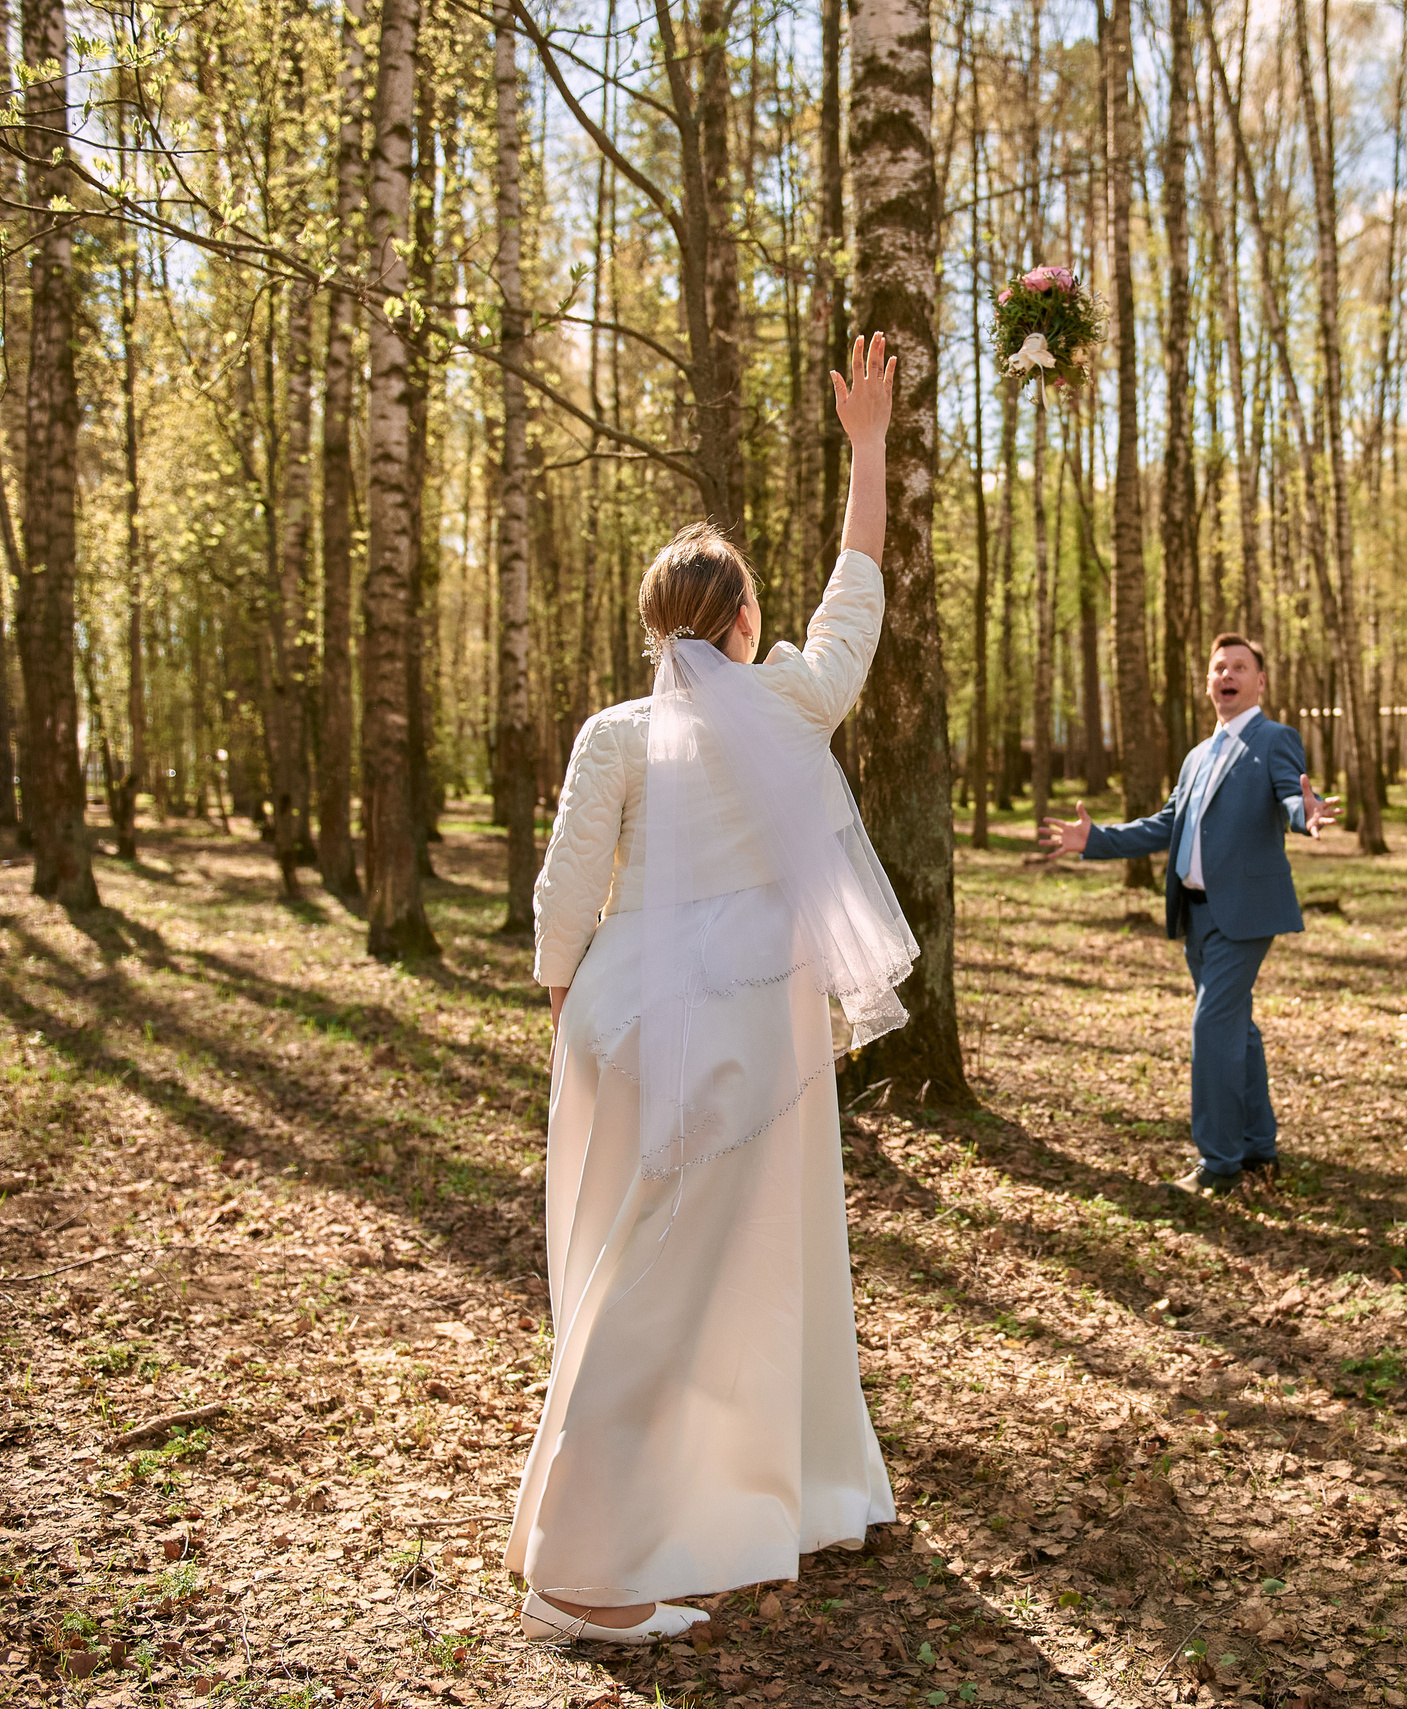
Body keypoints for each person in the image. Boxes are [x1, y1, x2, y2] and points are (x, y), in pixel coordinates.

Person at [508, 335, 913, 1644]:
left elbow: (566, 899)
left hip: (620, 1018)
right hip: (742, 1032)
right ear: (742, 623)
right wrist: (865, 449)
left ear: (656, 628)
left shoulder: (616, 736)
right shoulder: (791, 700)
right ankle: (582, 1573)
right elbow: (855, 597)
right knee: (679, 1279)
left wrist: (570, 1013)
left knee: (652, 1265)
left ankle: (747, 1497)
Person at [1036, 637, 1338, 1196]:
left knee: (1212, 1026)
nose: (1228, 675)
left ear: (1260, 682)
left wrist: (1307, 813)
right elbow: (1165, 825)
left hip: (1245, 914)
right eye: (1219, 668)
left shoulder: (1274, 739)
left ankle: (1218, 1164)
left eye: (1240, 667)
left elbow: (1290, 795)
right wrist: (1095, 840)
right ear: (1208, 683)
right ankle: (1259, 1149)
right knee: (1237, 1030)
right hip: (1195, 914)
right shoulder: (1197, 756)